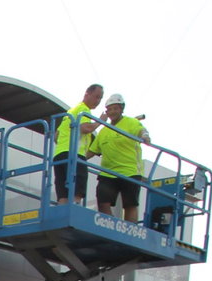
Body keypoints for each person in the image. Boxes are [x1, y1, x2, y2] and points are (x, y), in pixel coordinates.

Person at [92, 94, 151, 222]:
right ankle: (108, 224)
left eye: (115, 108)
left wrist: (145, 137)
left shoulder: (131, 122)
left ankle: (130, 230)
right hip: (108, 172)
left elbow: (141, 131)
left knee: (129, 204)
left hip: (129, 171)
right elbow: (93, 150)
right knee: (103, 201)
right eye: (109, 109)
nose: (112, 112)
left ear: (121, 109)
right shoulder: (104, 131)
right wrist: (77, 158)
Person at [52, 83, 102, 205]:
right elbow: (85, 128)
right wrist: (100, 121)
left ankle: (62, 211)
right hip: (74, 154)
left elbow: (56, 135)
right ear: (87, 94)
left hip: (59, 154)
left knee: (63, 191)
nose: (98, 101)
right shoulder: (83, 109)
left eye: (100, 98)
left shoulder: (71, 111)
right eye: (96, 96)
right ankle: (75, 207)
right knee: (78, 186)